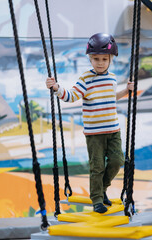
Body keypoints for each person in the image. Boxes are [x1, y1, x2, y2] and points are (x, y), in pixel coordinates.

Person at [46, 33, 134, 213]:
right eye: (96, 59)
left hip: (113, 130)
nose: (100, 62)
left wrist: (126, 90)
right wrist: (56, 88)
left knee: (117, 161)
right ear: (90, 58)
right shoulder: (86, 79)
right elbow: (71, 96)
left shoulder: (112, 78)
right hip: (94, 133)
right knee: (98, 167)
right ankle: (97, 200)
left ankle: (102, 189)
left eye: (104, 59)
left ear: (111, 59)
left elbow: (112, 97)